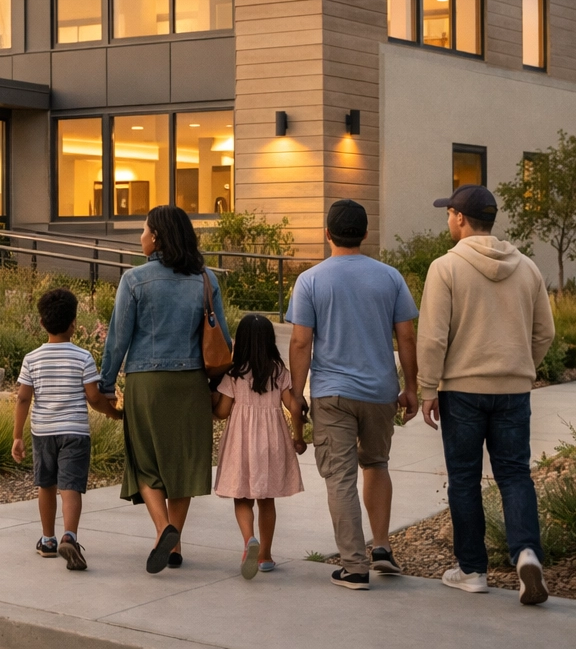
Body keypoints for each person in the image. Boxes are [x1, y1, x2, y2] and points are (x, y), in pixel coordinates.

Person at [418, 184, 555, 606]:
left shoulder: (446, 268)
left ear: (460, 218)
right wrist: (520, 366)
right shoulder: (527, 268)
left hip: (461, 390)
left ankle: (473, 570)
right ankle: (527, 555)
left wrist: (428, 388)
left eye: (449, 214)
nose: (447, 220)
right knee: (514, 474)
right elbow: (545, 332)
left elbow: (433, 338)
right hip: (513, 390)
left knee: (464, 479)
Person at [286, 199, 419, 591]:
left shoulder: (311, 280)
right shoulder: (390, 277)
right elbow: (407, 335)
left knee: (339, 477)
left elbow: (299, 342)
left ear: (327, 234)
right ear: (365, 234)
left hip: (333, 395)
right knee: (376, 463)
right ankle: (381, 548)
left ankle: (354, 565)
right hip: (380, 391)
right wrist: (410, 387)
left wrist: (296, 393)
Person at [100, 204, 232, 574]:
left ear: (156, 236)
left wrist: (106, 384)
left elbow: (117, 340)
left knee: (146, 462)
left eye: (143, 230)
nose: (140, 237)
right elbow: (223, 337)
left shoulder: (134, 280)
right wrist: (219, 386)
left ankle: (163, 531)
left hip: (147, 384)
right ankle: (174, 547)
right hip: (191, 384)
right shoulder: (205, 279)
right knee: (183, 464)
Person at [11, 288, 123, 571]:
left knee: (45, 484)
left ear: (41, 323)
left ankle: (48, 540)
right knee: (70, 486)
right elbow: (94, 397)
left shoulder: (32, 358)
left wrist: (16, 435)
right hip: (75, 432)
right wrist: (113, 412)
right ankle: (69, 536)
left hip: (42, 432)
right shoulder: (83, 357)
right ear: (74, 323)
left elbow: (23, 397)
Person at [213, 312, 306, 579]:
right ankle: (265, 555)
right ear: (270, 342)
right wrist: (298, 438)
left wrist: (211, 402)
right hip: (272, 442)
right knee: (266, 499)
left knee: (242, 496)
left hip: (240, 443)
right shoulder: (279, 372)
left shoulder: (234, 375)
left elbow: (222, 412)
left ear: (240, 342)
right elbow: (295, 407)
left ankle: (248, 540)